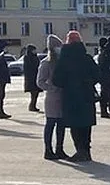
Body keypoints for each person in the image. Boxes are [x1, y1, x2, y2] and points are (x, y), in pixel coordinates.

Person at [53, 31, 100, 162]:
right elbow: (97, 75)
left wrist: (67, 84)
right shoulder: (87, 58)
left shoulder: (64, 59)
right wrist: (88, 82)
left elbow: (56, 80)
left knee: (75, 124)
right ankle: (86, 151)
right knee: (86, 124)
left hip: (71, 96)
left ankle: (80, 150)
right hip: (86, 95)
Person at [37, 35, 67, 160]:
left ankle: (59, 149)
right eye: (58, 46)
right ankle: (48, 150)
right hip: (52, 98)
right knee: (50, 123)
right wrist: (51, 88)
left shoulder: (63, 61)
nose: (59, 49)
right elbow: (40, 81)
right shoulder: (46, 63)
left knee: (61, 124)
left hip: (63, 97)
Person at [0, 40, 13, 119]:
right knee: (1, 95)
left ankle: (0, 111)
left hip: (1, 77)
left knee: (2, 94)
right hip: (0, 77)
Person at [22, 45, 42, 113]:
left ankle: (33, 105)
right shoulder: (27, 58)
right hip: (31, 78)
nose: (35, 51)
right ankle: (32, 106)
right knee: (34, 92)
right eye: (34, 50)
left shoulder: (35, 57)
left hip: (35, 76)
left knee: (36, 93)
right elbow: (30, 67)